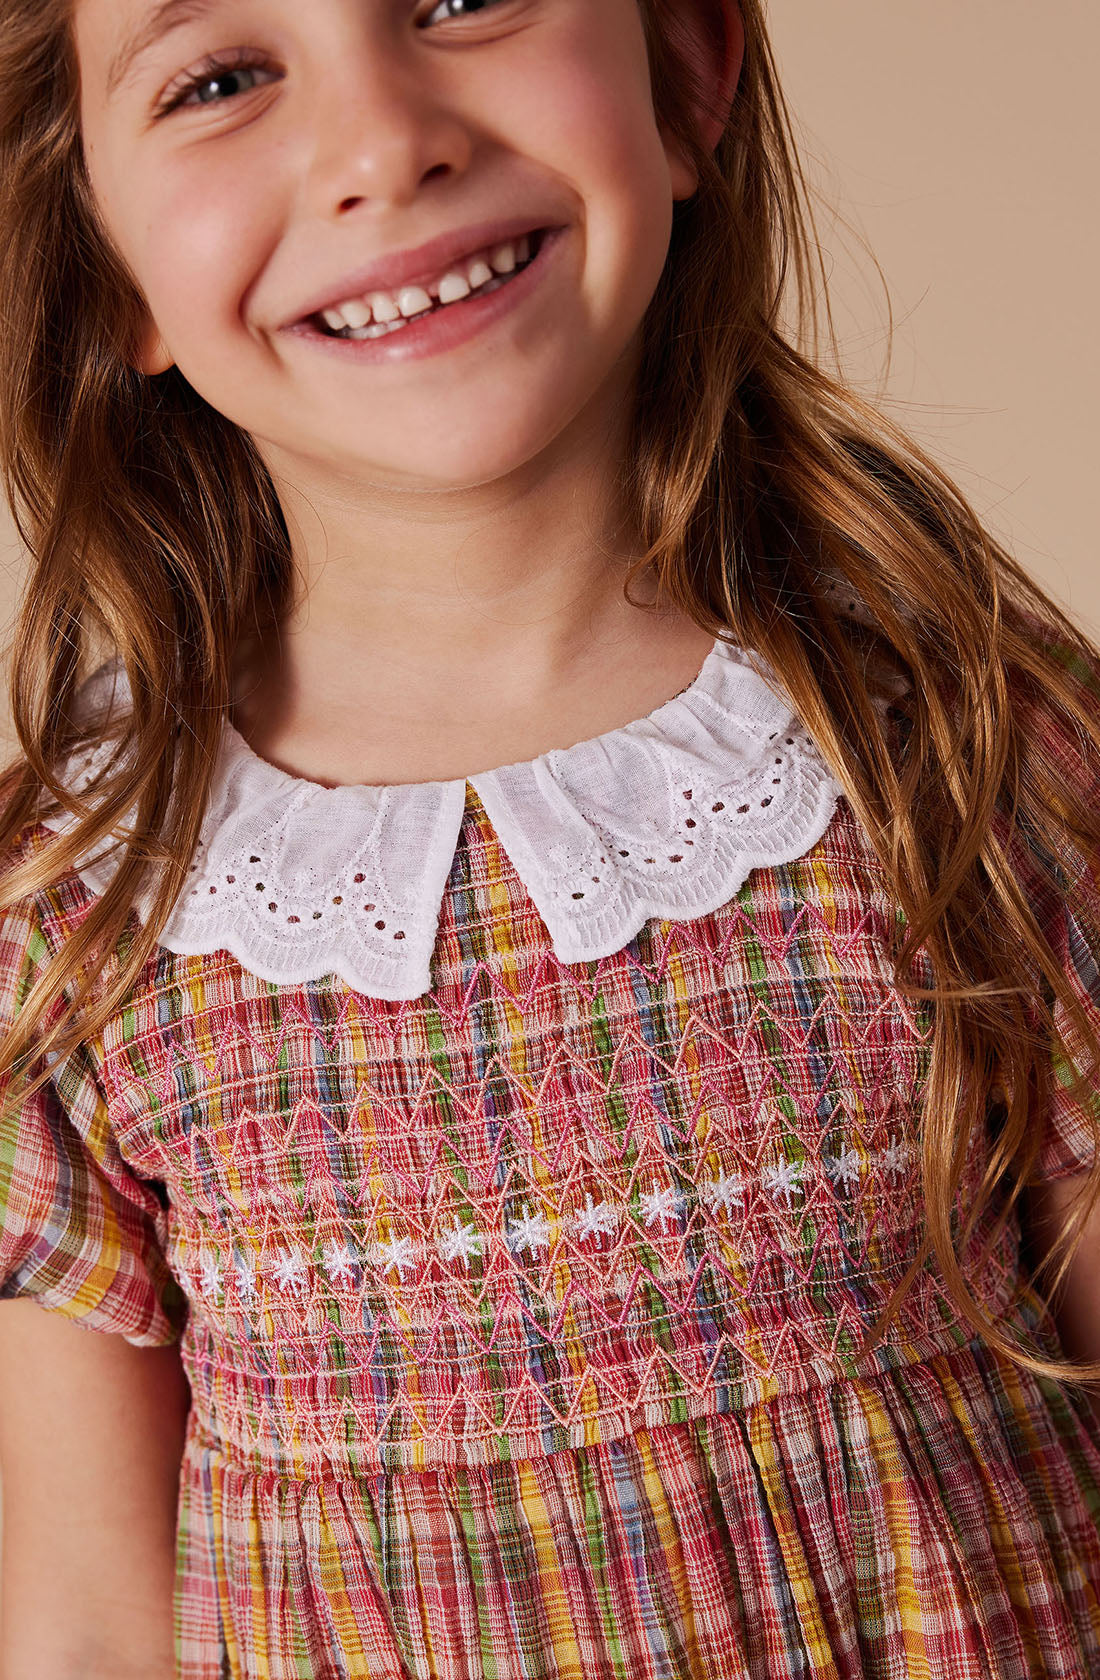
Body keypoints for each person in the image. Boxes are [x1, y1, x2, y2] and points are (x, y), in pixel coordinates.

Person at [0, 0, 1097, 1675]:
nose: (383, 146)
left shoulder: (967, 752)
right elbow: (85, 1628)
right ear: (108, 274)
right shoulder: (70, 916)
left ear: (689, 71)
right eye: (220, 78)